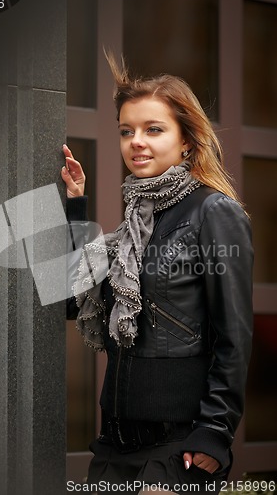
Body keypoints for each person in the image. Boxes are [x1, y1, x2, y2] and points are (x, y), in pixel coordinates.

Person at [61, 55, 253, 494]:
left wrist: (216, 432)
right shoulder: (133, 223)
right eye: (126, 131)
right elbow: (72, 301)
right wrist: (76, 208)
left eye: (153, 129)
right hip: (115, 440)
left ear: (186, 140)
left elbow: (234, 335)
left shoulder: (213, 212)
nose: (136, 142)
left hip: (178, 443)